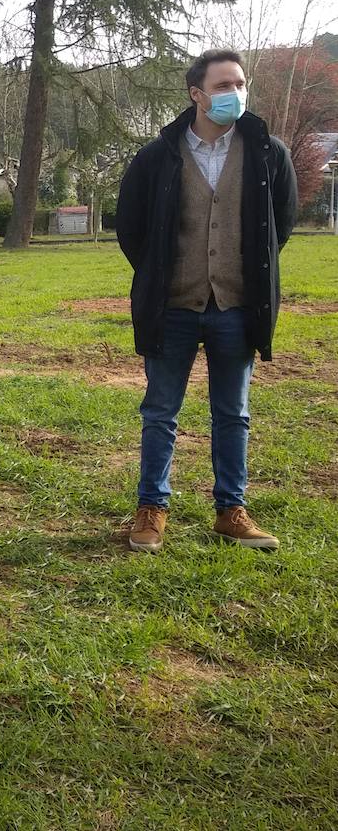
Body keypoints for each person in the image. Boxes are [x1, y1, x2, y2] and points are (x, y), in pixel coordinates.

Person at [117, 48, 297, 553]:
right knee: (160, 411)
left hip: (237, 308)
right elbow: (130, 226)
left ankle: (230, 510)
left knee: (233, 413)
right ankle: (152, 507)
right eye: (223, 86)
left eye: (240, 83)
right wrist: (161, 275)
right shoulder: (159, 156)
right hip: (172, 307)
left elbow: (279, 226)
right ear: (196, 94)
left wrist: (242, 275)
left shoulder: (267, 153)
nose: (234, 93)